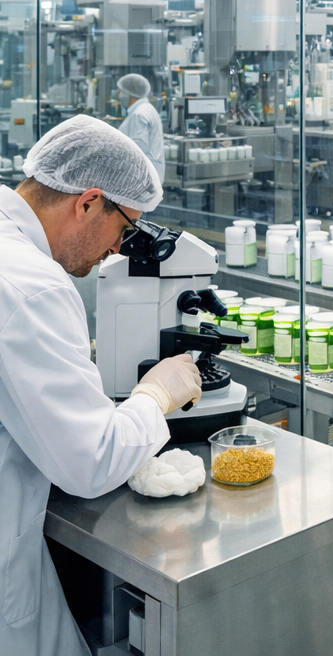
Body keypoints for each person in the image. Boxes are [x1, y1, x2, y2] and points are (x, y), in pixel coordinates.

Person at [0, 115, 203, 656]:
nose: (119, 250)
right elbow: (91, 463)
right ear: (89, 202)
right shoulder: (34, 286)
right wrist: (156, 394)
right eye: (127, 228)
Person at [117, 73, 165, 183]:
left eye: (121, 92)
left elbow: (138, 149)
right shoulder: (147, 109)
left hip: (142, 179)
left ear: (130, 93)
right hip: (150, 176)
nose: (120, 96)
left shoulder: (138, 114)